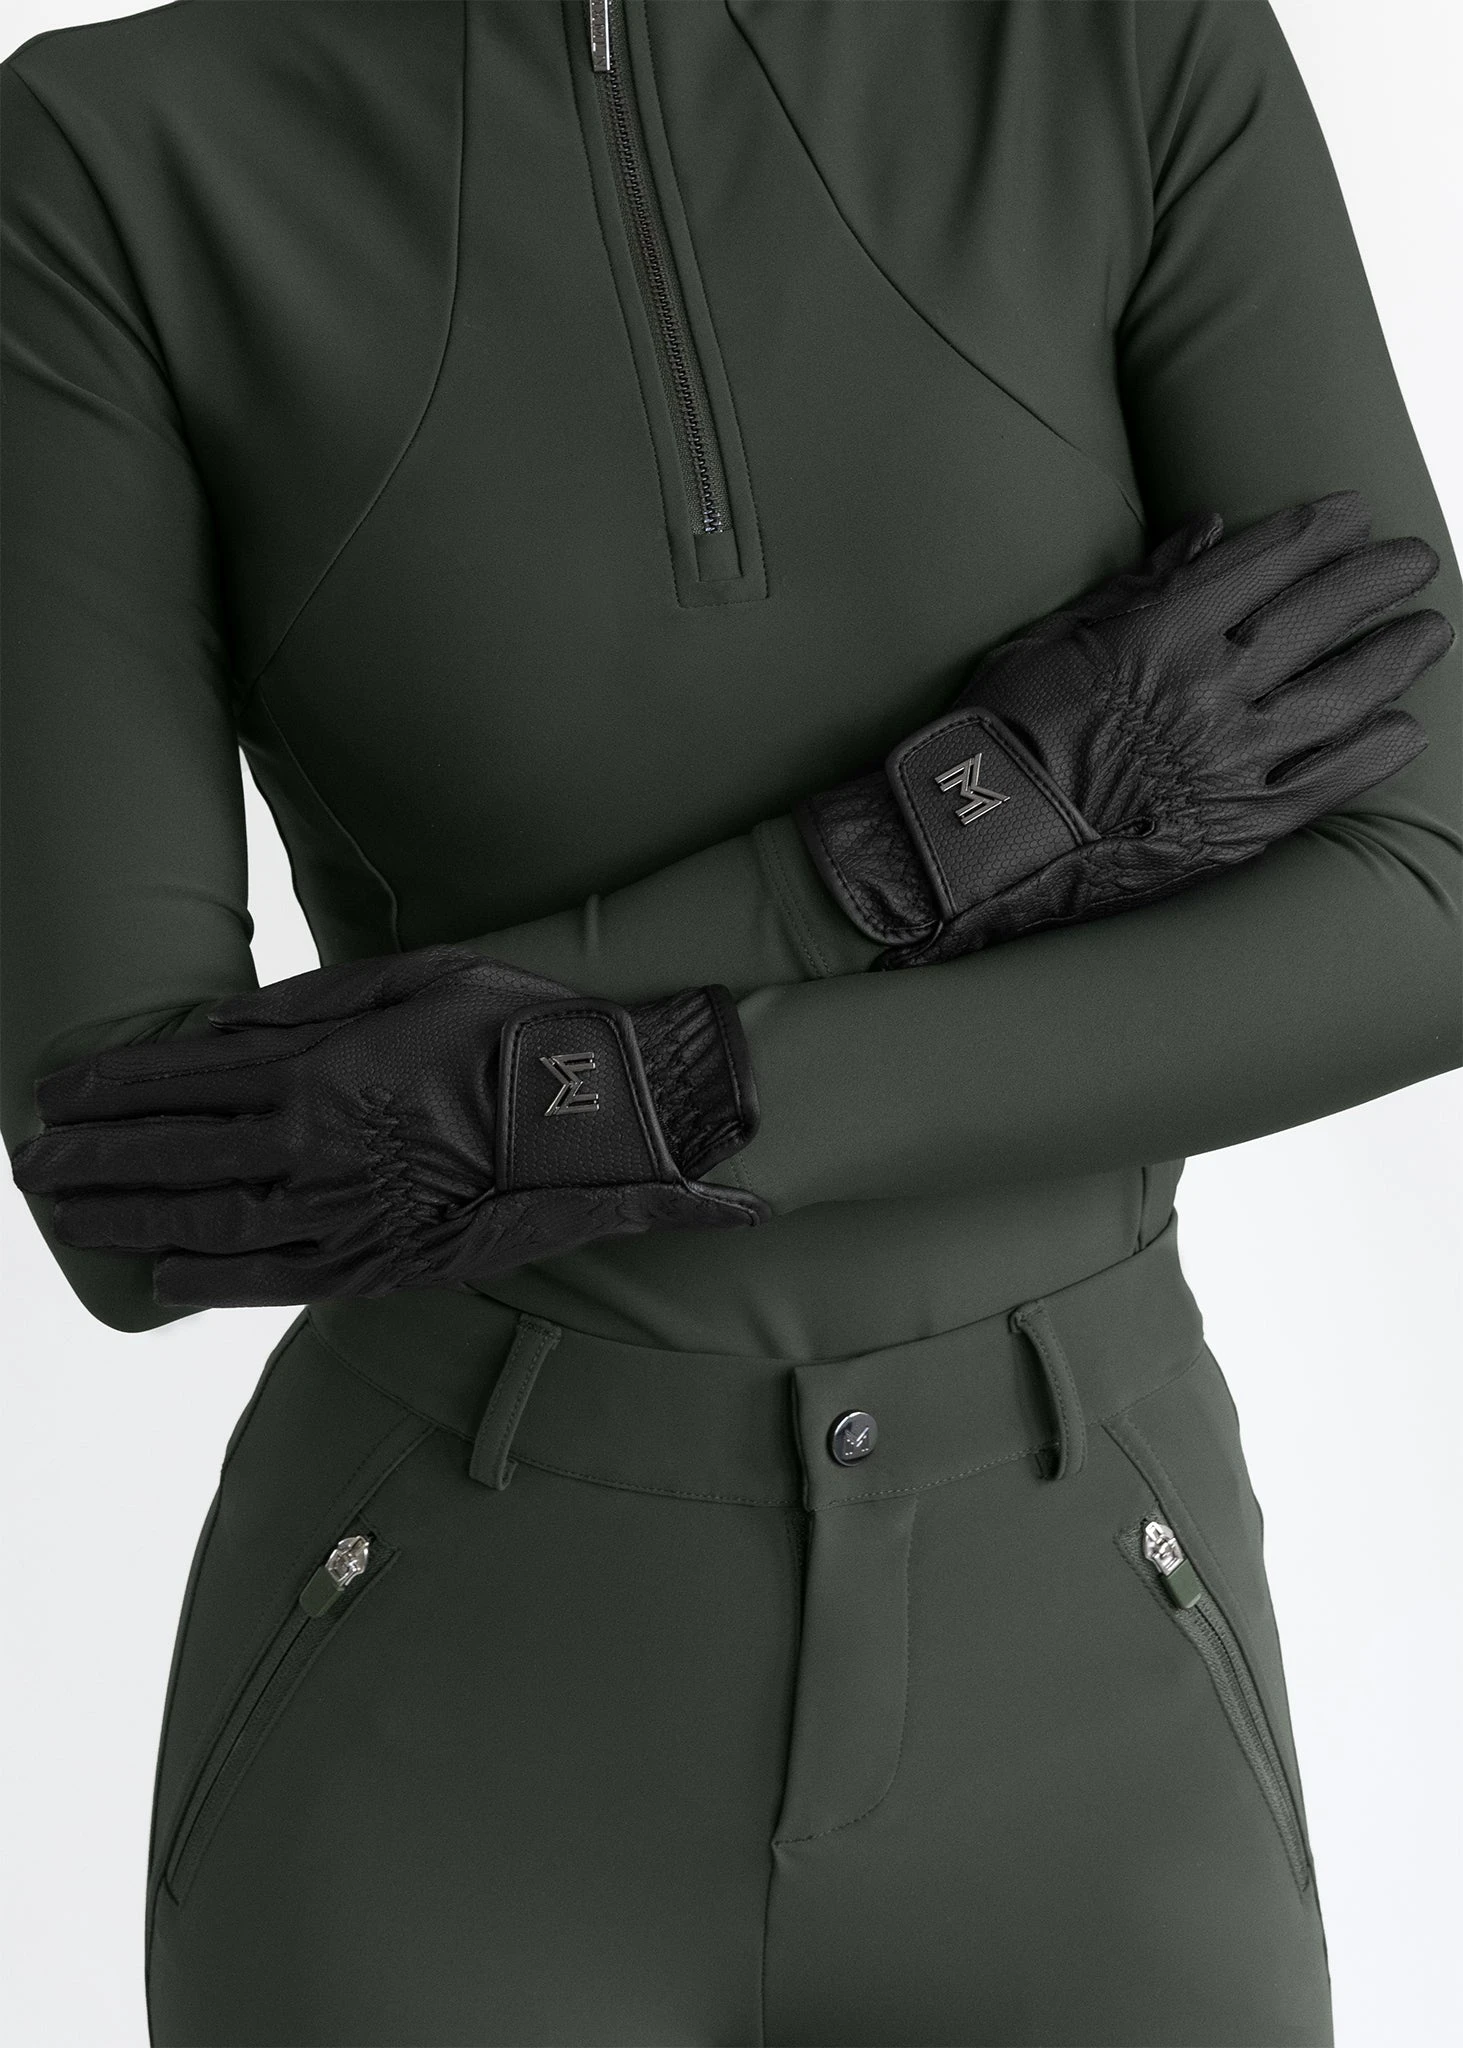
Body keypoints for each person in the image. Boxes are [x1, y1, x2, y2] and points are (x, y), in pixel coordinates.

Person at [3, 3, 1457, 2043]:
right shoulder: (111, 157)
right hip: (438, 1715)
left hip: (1098, 1687)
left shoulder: (1117, 45)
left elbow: (1421, 905)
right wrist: (934, 841)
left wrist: (589, 1100)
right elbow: (138, 1178)